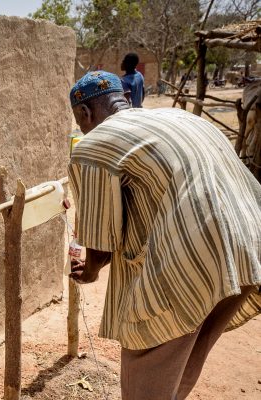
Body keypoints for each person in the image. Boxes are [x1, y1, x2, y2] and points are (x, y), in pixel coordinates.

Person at [67, 71, 261, 400]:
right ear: (125, 100)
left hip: (190, 265)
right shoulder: (181, 118)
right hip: (248, 251)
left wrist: (89, 272)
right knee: (182, 360)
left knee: (148, 360)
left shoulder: (94, 146)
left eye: (80, 120)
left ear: (84, 113)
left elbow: (100, 243)